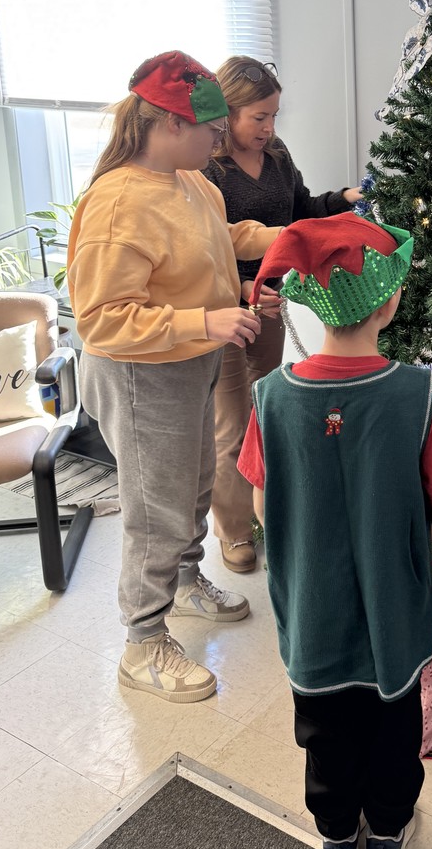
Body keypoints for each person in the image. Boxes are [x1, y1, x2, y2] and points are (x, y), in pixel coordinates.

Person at [237, 212, 432, 849]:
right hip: (393, 603)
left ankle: (338, 839)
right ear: (391, 301)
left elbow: (259, 507)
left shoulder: (271, 397)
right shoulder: (419, 393)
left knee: (323, 727)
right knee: (394, 722)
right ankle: (388, 832)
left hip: (311, 605)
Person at [67, 50, 285, 703]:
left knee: (193, 484)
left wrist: (290, 242)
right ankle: (141, 644)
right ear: (167, 124)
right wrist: (211, 322)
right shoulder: (117, 207)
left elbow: (216, 240)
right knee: (155, 510)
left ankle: (187, 581)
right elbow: (104, 321)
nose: (220, 143)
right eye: (211, 132)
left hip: (187, 362)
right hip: (140, 377)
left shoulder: (190, 182)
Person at [202, 56, 362, 573]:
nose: (269, 128)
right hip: (221, 307)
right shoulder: (206, 168)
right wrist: (243, 288)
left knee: (268, 412)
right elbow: (203, 249)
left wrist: (345, 200)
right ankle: (232, 531)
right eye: (259, 118)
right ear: (227, 114)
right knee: (232, 423)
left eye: (274, 116)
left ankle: (268, 508)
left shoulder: (276, 154)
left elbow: (301, 212)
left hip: (269, 302)